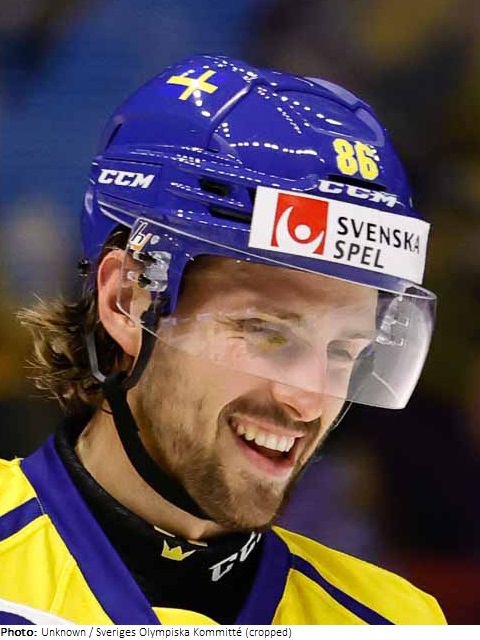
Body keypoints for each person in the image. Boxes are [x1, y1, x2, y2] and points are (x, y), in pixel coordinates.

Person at [0, 54, 446, 625]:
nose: (309, 400)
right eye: (266, 332)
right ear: (128, 302)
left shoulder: (396, 622)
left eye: (343, 351)